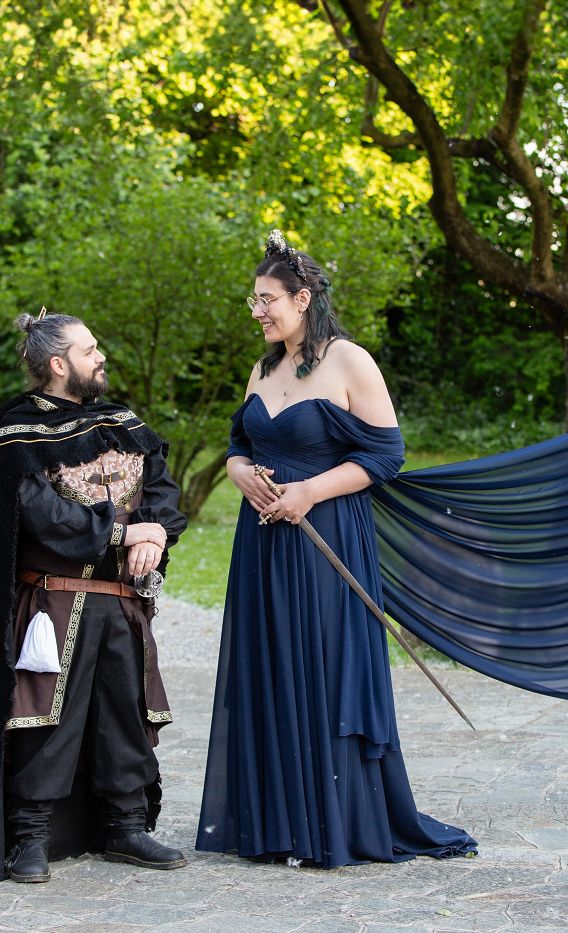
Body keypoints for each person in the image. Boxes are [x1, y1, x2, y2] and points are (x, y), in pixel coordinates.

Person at [195, 231, 477, 867]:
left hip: (328, 541)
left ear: (302, 299)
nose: (257, 311)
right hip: (263, 543)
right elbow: (240, 443)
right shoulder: (262, 369)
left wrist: (310, 492)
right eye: (253, 300)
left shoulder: (350, 361)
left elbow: (386, 455)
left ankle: (332, 822)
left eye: (266, 299)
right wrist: (240, 472)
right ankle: (277, 825)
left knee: (322, 667)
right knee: (269, 665)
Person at [0, 311, 189, 882]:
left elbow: (161, 489)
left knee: (125, 714)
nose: (101, 356)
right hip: (54, 603)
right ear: (59, 364)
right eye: (90, 350)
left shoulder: (122, 422)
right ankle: (31, 838)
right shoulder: (18, 434)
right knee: (45, 718)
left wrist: (155, 534)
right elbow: (44, 516)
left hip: (122, 600)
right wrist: (124, 534)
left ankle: (126, 827)